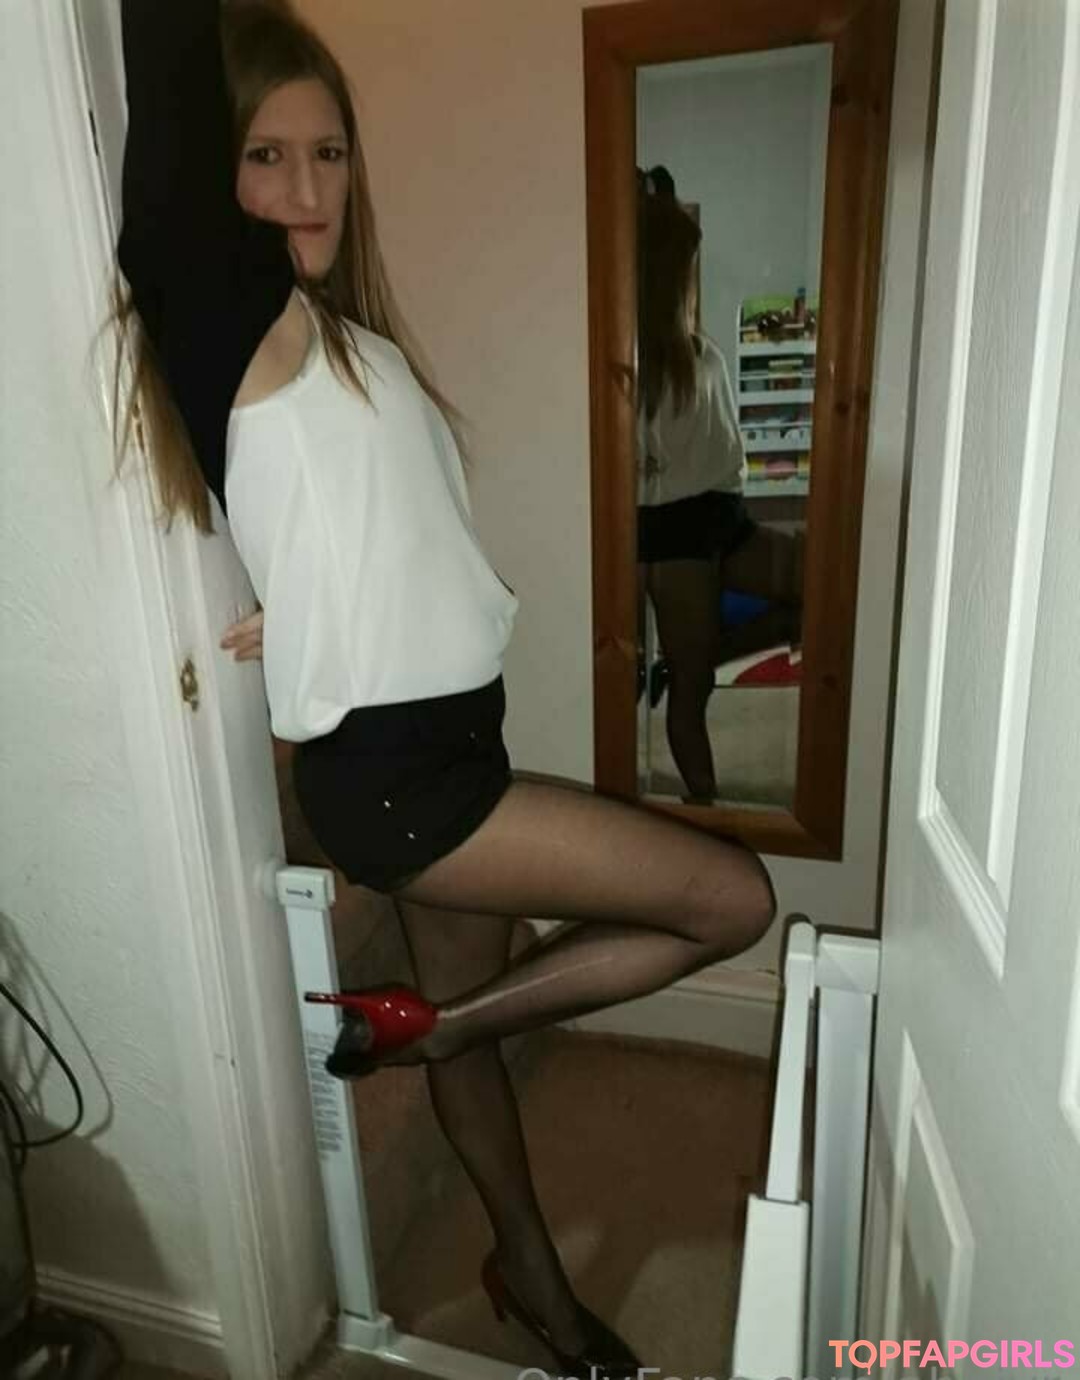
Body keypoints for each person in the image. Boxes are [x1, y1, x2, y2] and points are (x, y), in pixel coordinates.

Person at [113, 6, 777, 1375]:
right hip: (398, 781)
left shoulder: (341, 338)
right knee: (730, 901)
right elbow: (170, 105)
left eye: (330, 153)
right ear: (215, 179)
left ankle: (530, 1279)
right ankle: (420, 1035)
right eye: (265, 156)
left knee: (482, 1048)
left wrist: (317, 604)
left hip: (449, 739)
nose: (307, 188)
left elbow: (372, 518)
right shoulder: (243, 321)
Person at [636, 168, 803, 803]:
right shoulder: (636, 363)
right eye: (685, 267)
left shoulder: (700, 352)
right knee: (693, 695)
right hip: (674, 536)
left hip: (724, 521)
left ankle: (689, 661)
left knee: (824, 593)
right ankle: (704, 807)